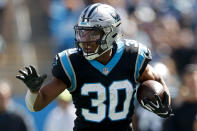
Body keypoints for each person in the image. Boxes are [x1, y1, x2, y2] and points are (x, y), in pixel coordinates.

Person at [16, 3, 173, 131]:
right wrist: (33, 91)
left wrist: (165, 101)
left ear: (111, 33)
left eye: (92, 34)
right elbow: (36, 105)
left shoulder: (131, 56)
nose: (85, 39)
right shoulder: (73, 62)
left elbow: (157, 79)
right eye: (83, 33)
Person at [163, 64, 197, 131]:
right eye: (190, 82)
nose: (193, 85)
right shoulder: (178, 105)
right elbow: (168, 125)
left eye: (194, 82)